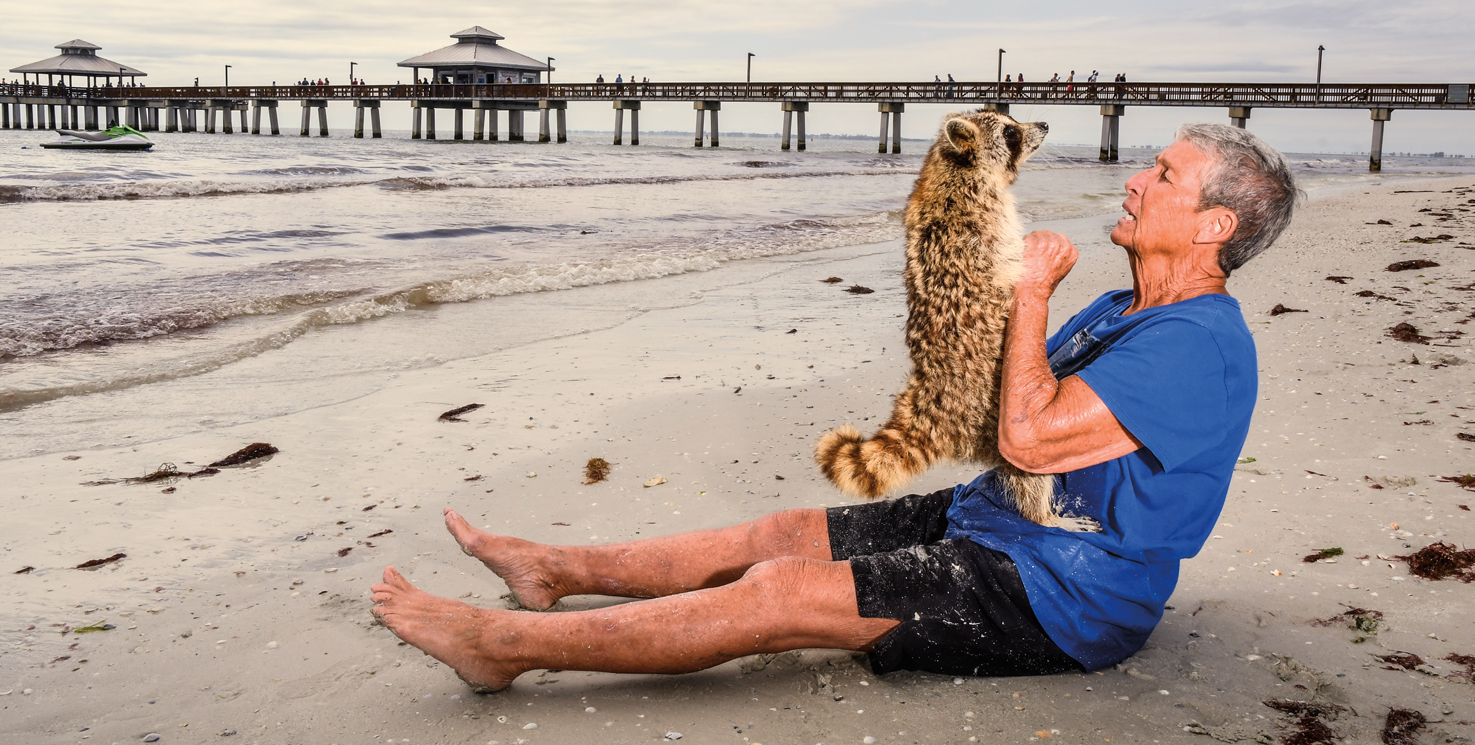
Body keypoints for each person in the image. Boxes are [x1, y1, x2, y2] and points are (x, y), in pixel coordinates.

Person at [372, 124, 1299, 690]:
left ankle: (502, 644)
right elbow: (1004, 413)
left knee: (777, 596)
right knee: (779, 533)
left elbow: (1027, 435)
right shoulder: (1128, 308)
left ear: (1214, 226)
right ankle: (554, 568)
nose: (1136, 179)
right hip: (1002, 525)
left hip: (1062, 593)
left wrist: (1029, 296)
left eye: (1164, 177)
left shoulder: (1197, 344)